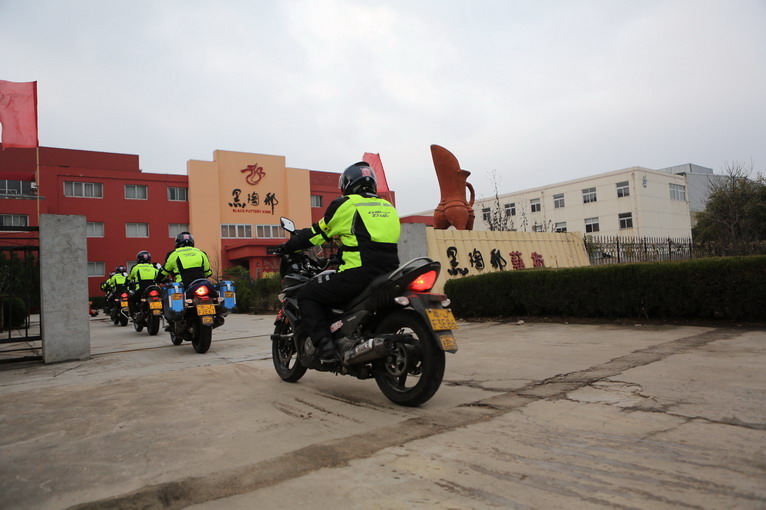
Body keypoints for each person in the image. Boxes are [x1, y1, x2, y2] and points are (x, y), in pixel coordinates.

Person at [280, 161, 400, 363]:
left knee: (307, 294)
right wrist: (343, 252)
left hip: (358, 275)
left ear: (347, 183)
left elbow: (316, 234)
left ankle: (325, 346)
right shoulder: (388, 206)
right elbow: (371, 241)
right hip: (389, 273)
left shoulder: (346, 204)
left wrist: (289, 246)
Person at [158, 231, 212, 331]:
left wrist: (158, 279)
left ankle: (177, 321)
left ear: (177, 242)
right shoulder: (201, 253)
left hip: (184, 287)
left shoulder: (173, 254)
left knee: (168, 298)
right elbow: (208, 272)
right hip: (202, 285)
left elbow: (164, 271)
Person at [127, 250, 159, 317]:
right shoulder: (154, 267)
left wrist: (127, 282)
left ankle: (134, 314)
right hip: (153, 290)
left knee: (130, 299)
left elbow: (129, 278)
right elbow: (160, 277)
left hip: (141, 291)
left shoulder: (135, 268)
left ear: (138, 258)